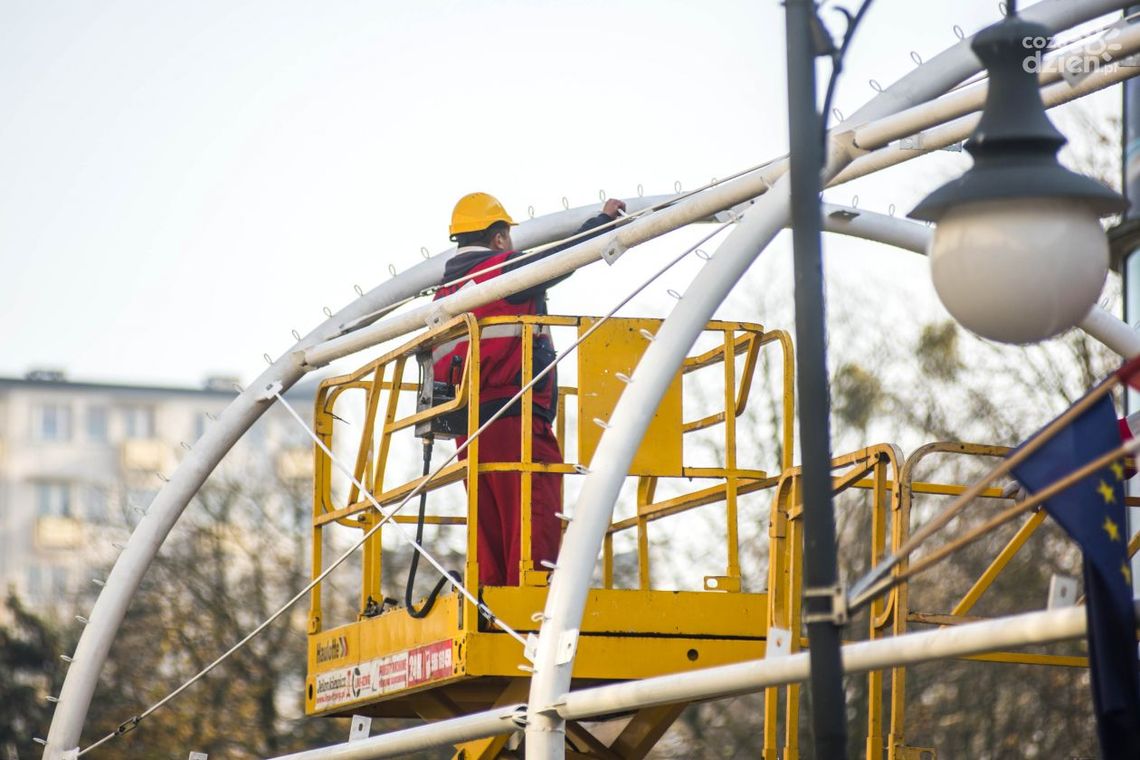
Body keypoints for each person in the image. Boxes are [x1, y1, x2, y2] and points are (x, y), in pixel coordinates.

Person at [432, 192, 626, 586]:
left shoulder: (443, 295)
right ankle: (533, 607)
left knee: (490, 534)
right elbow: (564, 258)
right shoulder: (500, 273)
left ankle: (492, 608)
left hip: (468, 430)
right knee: (531, 523)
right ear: (500, 238)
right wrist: (603, 222)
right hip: (515, 422)